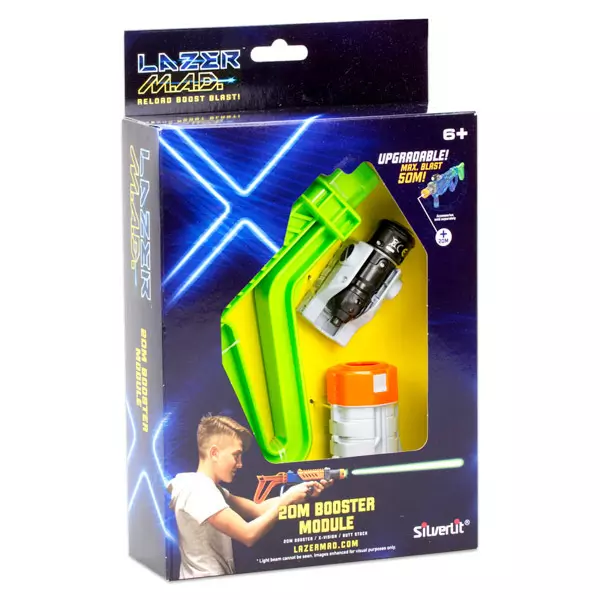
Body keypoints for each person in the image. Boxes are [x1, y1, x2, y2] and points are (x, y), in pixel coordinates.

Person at [168, 415, 333, 579]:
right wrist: (287, 500)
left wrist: (301, 493)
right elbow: (248, 535)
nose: (240, 464)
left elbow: (257, 509)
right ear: (214, 453)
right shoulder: (198, 489)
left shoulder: (210, 489)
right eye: (236, 455)